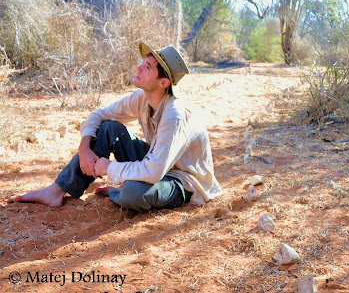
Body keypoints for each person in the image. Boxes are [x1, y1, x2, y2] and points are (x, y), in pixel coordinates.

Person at [8, 42, 223, 211]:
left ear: (164, 83)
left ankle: (122, 191)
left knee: (133, 192)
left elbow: (154, 171)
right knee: (109, 128)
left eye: (148, 67)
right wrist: (84, 148)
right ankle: (56, 190)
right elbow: (99, 115)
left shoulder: (175, 115)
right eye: (143, 62)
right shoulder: (142, 98)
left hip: (182, 180)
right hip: (158, 163)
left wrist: (109, 168)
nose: (139, 67)